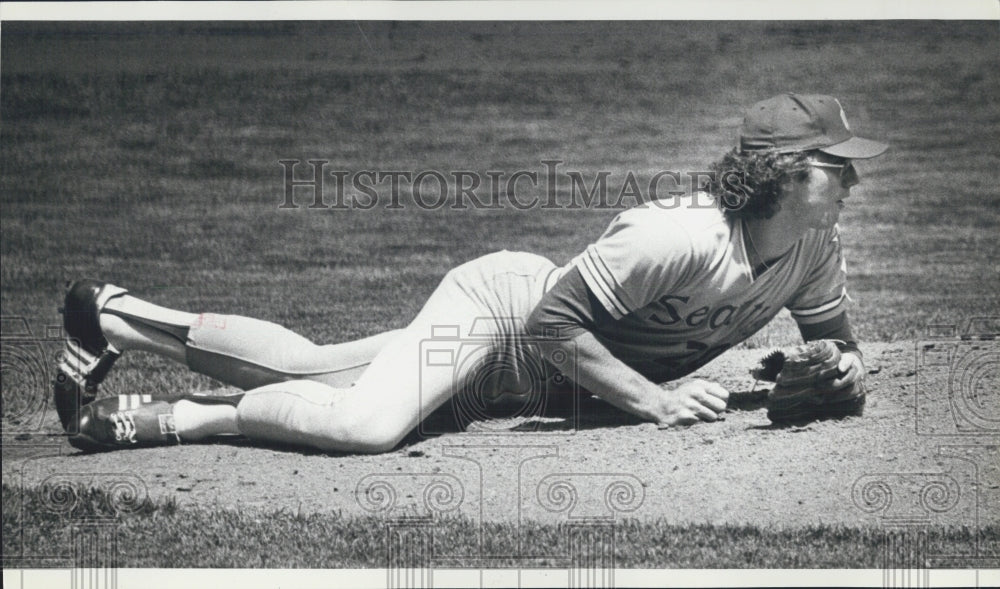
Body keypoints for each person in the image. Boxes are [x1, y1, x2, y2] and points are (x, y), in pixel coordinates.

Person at [54, 93, 887, 454]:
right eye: (834, 165)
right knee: (363, 426)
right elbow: (554, 323)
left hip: (531, 381)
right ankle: (187, 419)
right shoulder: (674, 235)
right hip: (502, 316)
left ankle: (118, 316)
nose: (851, 179)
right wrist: (655, 400)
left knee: (311, 366)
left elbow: (833, 342)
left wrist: (840, 368)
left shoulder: (814, 249)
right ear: (782, 170)